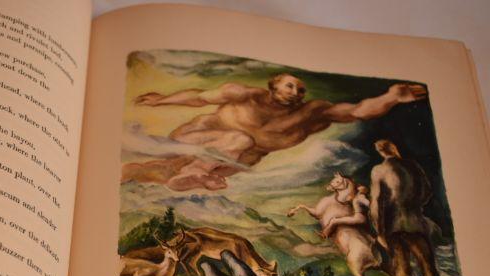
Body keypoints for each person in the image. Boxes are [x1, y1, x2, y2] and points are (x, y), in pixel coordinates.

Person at [123, 73, 427, 191]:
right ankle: (196, 171)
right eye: (290, 85)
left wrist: (391, 97)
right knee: (240, 138)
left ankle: (130, 174)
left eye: (301, 89)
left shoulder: (311, 115)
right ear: (273, 86)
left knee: (155, 173)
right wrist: (162, 100)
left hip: (230, 163)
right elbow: (201, 97)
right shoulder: (244, 94)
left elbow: (358, 110)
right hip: (194, 142)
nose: (296, 92)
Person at [369, 139, 459, 276]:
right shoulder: (413, 166)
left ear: (381, 151)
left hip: (393, 227)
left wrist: (379, 231)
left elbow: (376, 203)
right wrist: (412, 206)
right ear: (393, 148)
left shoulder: (379, 171)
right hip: (417, 223)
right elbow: (426, 192)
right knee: (429, 271)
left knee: (403, 270)